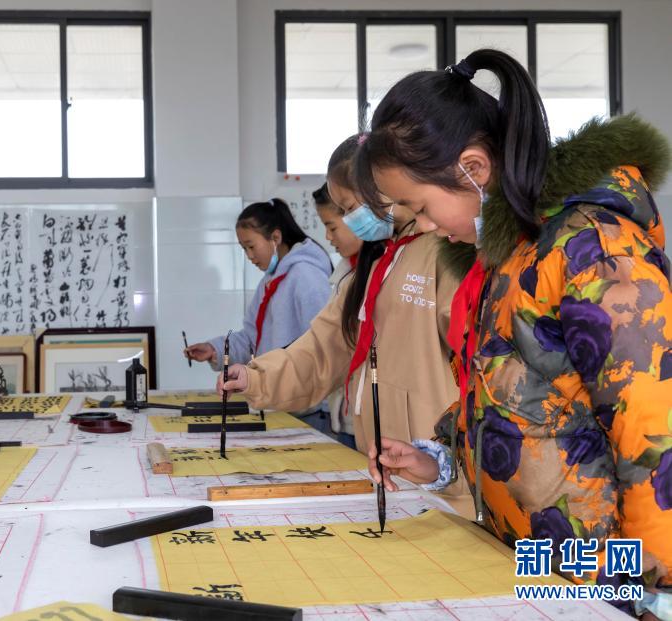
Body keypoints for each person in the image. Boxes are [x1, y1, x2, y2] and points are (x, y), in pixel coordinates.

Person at [354, 49, 671, 617]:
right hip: (530, 561)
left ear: (473, 169)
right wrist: (439, 458)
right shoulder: (510, 258)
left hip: (604, 575)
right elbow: (517, 400)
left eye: (420, 207)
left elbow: (655, 431)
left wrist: (657, 589)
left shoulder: (592, 251)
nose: (424, 226)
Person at [220, 135, 475, 517]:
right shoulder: (377, 263)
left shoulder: (447, 250)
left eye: (350, 207)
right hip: (391, 470)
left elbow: (483, 366)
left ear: (385, 187)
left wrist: (450, 458)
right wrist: (256, 378)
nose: (349, 221)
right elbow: (325, 346)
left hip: (445, 478)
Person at [185, 198, 332, 370]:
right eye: (244, 249)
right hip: (275, 391)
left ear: (275, 238)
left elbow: (324, 345)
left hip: (302, 393)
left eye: (251, 246)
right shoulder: (269, 282)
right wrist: (213, 349)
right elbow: (251, 340)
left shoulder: (306, 276)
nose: (249, 255)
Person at [313, 181, 363, 449]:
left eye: (332, 226)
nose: (328, 237)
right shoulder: (346, 271)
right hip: (345, 416)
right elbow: (322, 342)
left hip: (370, 421)